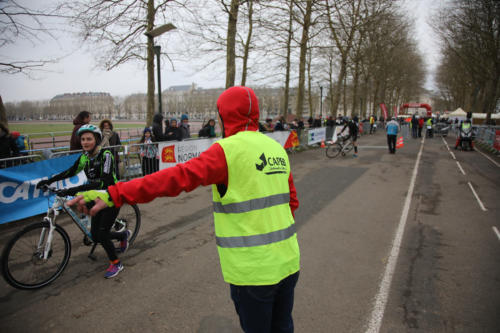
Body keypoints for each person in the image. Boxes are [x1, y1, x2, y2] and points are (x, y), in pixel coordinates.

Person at [68, 86, 301, 333]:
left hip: (254, 272)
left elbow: (175, 178)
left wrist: (116, 193)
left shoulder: (227, 151)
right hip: (288, 262)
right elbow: (292, 203)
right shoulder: (276, 149)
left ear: (224, 116)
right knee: (283, 327)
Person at [36, 124, 128, 279]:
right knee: (95, 236)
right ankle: (122, 235)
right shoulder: (84, 157)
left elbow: (103, 181)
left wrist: (71, 190)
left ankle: (116, 263)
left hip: (111, 196)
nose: (85, 142)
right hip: (96, 197)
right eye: (83, 139)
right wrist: (49, 180)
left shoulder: (106, 155)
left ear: (97, 140)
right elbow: (71, 171)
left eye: (89, 139)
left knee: (102, 234)